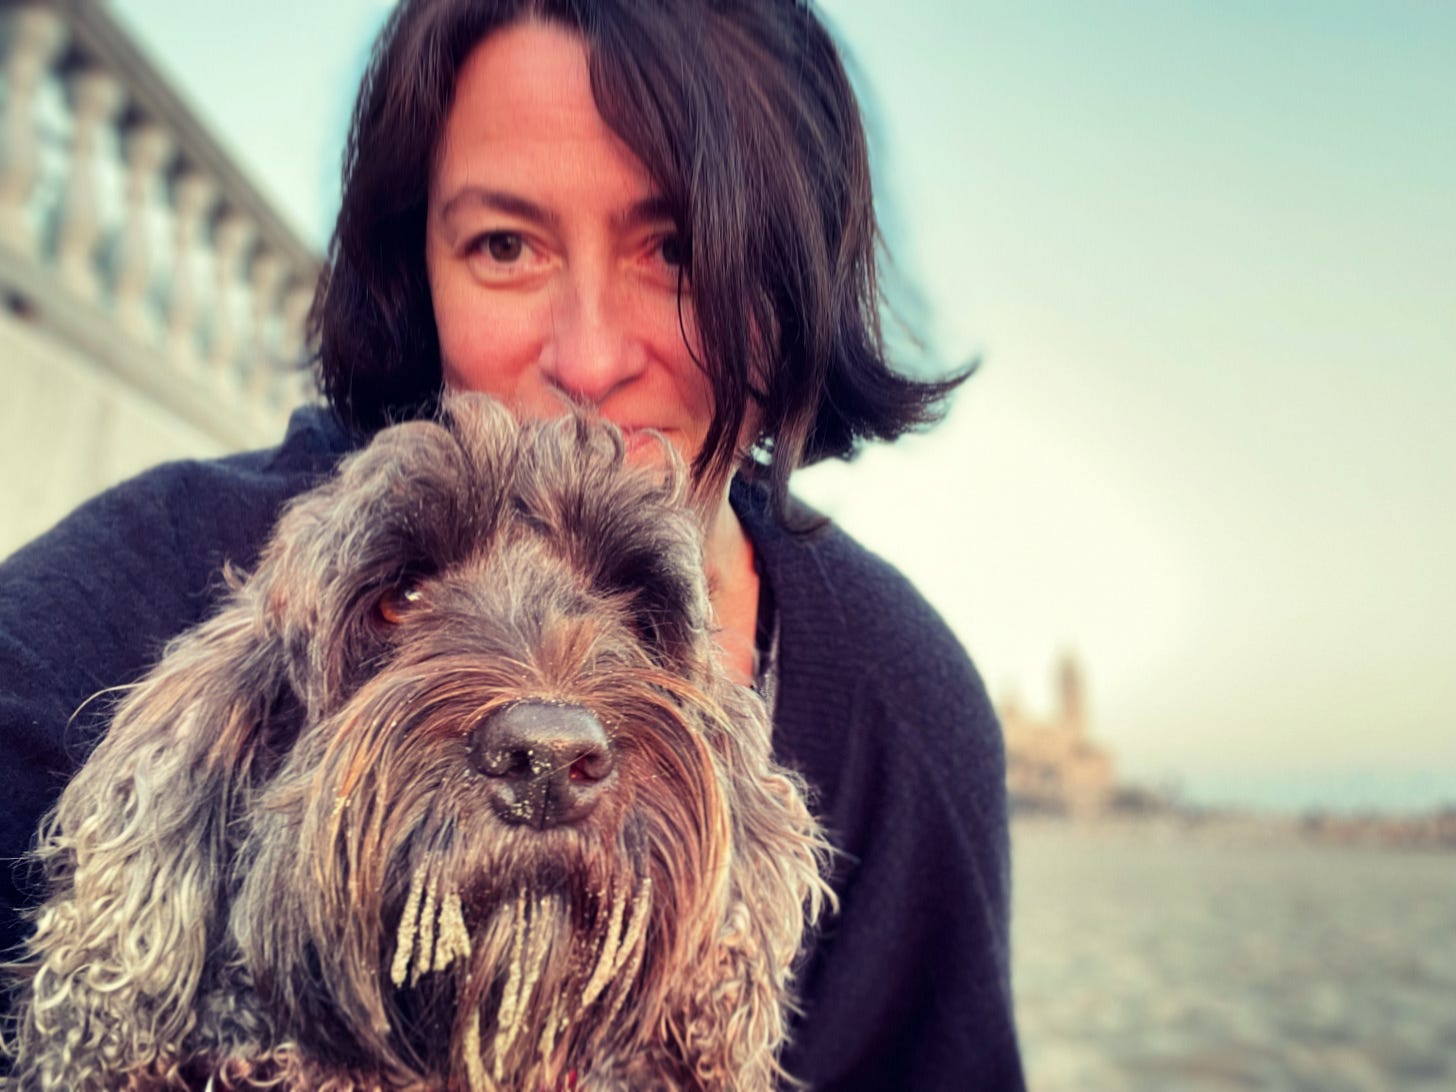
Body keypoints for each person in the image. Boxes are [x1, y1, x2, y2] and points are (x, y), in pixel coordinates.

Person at [0, 1, 1025, 1087]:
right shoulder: (107, 619)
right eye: (504, 245)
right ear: (418, 268)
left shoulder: (910, 719)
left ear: (790, 280)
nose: (586, 357)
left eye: (675, 247)